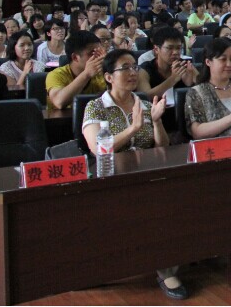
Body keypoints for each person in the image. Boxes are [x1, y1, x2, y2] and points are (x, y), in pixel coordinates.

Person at [81, 49, 188, 300]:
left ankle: (167, 268)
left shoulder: (144, 104)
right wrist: (133, 128)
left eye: (134, 67)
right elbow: (98, 149)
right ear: (109, 77)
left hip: (146, 171)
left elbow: (162, 146)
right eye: (124, 68)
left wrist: (157, 121)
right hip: (112, 175)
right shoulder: (95, 107)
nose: (132, 73)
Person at [137, 26, 197, 133]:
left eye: (179, 48)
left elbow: (205, 87)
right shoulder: (145, 69)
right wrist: (172, 79)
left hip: (184, 119)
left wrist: (191, 83)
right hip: (156, 122)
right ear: (156, 49)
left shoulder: (185, 65)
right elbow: (145, 97)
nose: (175, 52)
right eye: (170, 48)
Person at [46, 30, 106, 110]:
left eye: (99, 52)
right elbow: (59, 102)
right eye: (92, 53)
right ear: (75, 57)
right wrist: (86, 74)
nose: (98, 57)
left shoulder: (102, 73)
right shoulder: (56, 75)